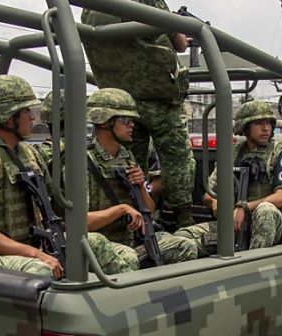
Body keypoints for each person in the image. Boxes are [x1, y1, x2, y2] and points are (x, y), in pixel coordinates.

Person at [0, 75, 134, 279]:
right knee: (39, 270)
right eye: (26, 111)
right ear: (8, 117)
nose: (32, 117)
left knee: (103, 245)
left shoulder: (27, 154)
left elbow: (58, 206)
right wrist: (36, 254)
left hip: (28, 246)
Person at [81, 1, 196, 231]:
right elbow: (180, 44)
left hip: (123, 104)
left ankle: (137, 220)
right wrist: (185, 29)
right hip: (160, 101)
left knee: (132, 165)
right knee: (177, 162)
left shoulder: (89, 8)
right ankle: (180, 220)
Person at [84, 88, 197, 267]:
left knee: (185, 247)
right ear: (105, 122)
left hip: (130, 240)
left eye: (132, 120)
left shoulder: (126, 157)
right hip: (98, 246)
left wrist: (141, 187)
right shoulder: (83, 161)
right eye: (125, 120)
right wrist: (122, 209)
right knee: (128, 258)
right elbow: (79, 223)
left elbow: (149, 210)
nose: (132, 125)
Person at [175, 100, 282, 256]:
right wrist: (215, 203)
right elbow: (209, 194)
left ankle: (253, 266)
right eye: (259, 123)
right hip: (233, 224)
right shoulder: (232, 154)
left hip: (269, 226)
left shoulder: (279, 154)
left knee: (265, 210)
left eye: (269, 122)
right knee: (183, 238)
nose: (266, 128)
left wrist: (244, 207)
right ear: (246, 127)